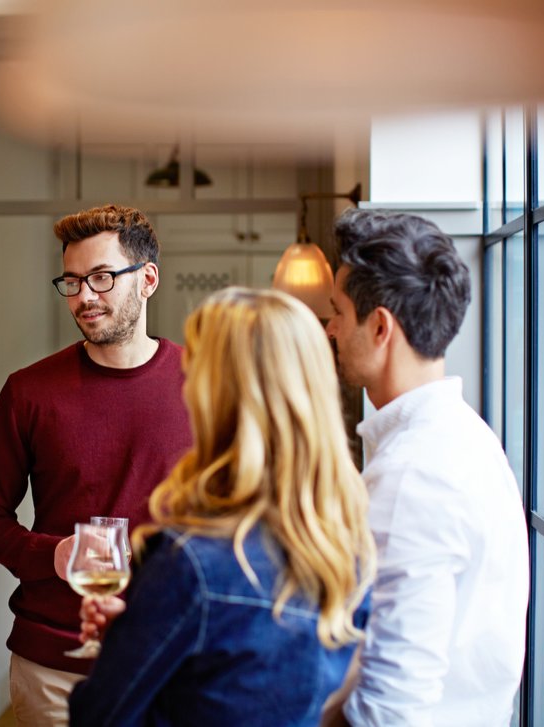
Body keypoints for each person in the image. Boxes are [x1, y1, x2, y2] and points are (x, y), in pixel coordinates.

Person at [67, 287, 376, 727]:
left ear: (219, 398)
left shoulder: (190, 561)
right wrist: (143, 629)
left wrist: (128, 643)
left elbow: (99, 717)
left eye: (194, 374)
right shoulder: (346, 544)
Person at [0, 206, 193, 727]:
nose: (84, 297)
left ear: (148, 280)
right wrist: (55, 555)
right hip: (56, 663)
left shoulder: (206, 382)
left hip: (172, 654)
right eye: (72, 282)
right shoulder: (28, 391)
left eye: (101, 278)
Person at [321, 209, 530, 727]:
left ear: (380, 327)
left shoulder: (413, 475)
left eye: (337, 312)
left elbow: (389, 706)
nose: (329, 329)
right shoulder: (466, 438)